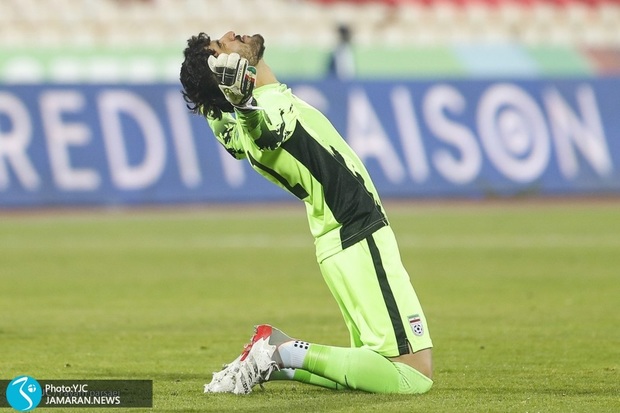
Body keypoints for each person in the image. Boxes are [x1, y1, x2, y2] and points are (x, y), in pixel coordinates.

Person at [179, 30, 433, 395]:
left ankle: (275, 362)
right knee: (412, 375)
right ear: (225, 75)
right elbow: (267, 131)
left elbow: (239, 132)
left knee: (372, 368)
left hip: (342, 242)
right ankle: (279, 351)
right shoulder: (260, 112)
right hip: (358, 233)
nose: (229, 34)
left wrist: (222, 104)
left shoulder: (257, 110)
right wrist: (242, 104)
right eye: (220, 47)